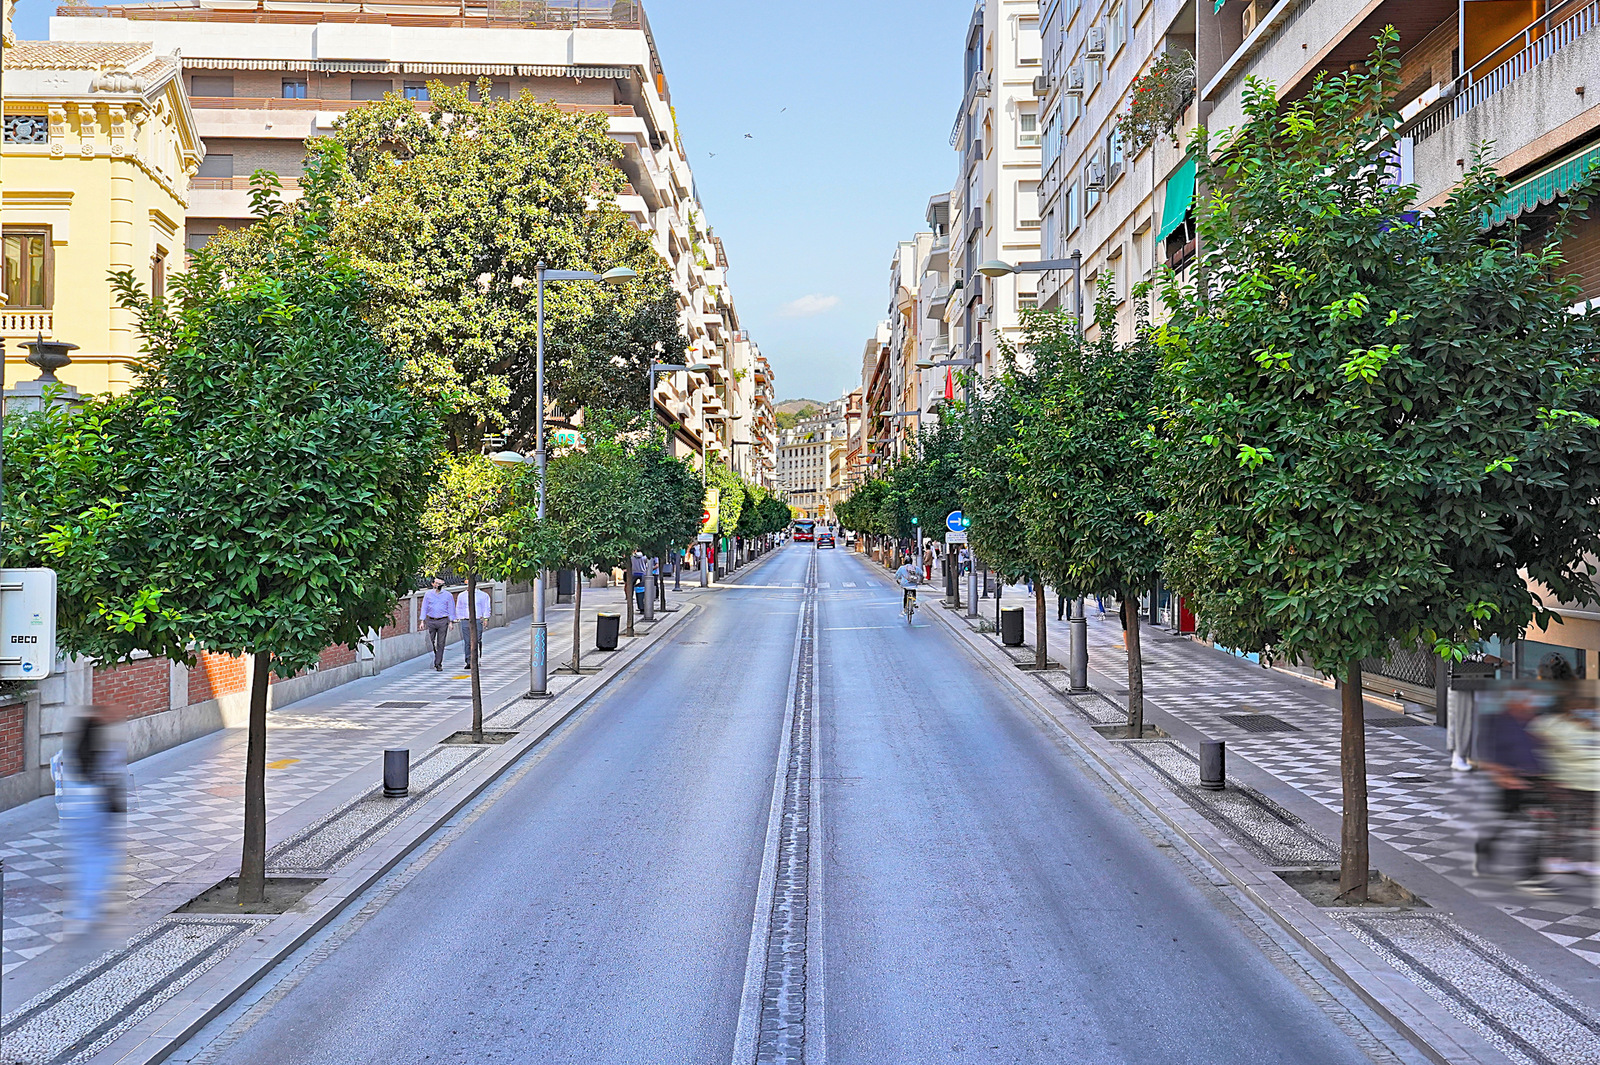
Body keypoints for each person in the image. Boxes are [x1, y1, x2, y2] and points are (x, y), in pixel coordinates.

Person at [1474, 682, 1554, 891]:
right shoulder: (1496, 722)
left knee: (1535, 827)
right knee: (1510, 824)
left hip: (1535, 780)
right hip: (1510, 781)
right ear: (1512, 701)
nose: (1530, 704)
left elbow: (1543, 748)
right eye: (1525, 700)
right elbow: (1485, 758)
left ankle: (1530, 873)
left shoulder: (1534, 721)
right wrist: (1502, 776)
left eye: (1531, 700)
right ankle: (1487, 850)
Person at [54, 706, 127, 925]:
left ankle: (82, 907)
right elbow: (117, 775)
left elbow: (55, 777)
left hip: (72, 813)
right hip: (96, 810)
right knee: (100, 856)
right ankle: (90, 907)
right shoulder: (108, 753)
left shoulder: (63, 756)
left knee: (83, 857)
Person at [1530, 684, 1599, 878]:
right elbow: (1532, 742)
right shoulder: (1552, 725)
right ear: (1570, 706)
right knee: (1563, 823)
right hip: (1566, 783)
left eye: (1592, 706)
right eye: (1581, 705)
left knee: (1592, 826)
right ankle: (1557, 857)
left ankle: (1591, 860)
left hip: (1594, 785)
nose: (1588, 710)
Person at [420, 577, 457, 672]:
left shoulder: (448, 595)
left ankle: (438, 663)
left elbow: (451, 608)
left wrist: (451, 622)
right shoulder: (428, 594)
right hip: (431, 620)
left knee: (441, 642)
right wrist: (422, 620)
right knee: (430, 641)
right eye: (436, 583)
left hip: (442, 621)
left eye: (440, 583)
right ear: (433, 584)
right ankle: (436, 655)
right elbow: (424, 607)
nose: (438, 585)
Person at [457, 582, 492, 670]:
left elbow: (486, 607)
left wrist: (486, 618)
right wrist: (459, 618)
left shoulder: (483, 595)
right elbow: (459, 607)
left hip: (477, 619)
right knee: (467, 642)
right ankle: (469, 661)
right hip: (465, 620)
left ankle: (476, 659)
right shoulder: (462, 595)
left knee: (477, 640)